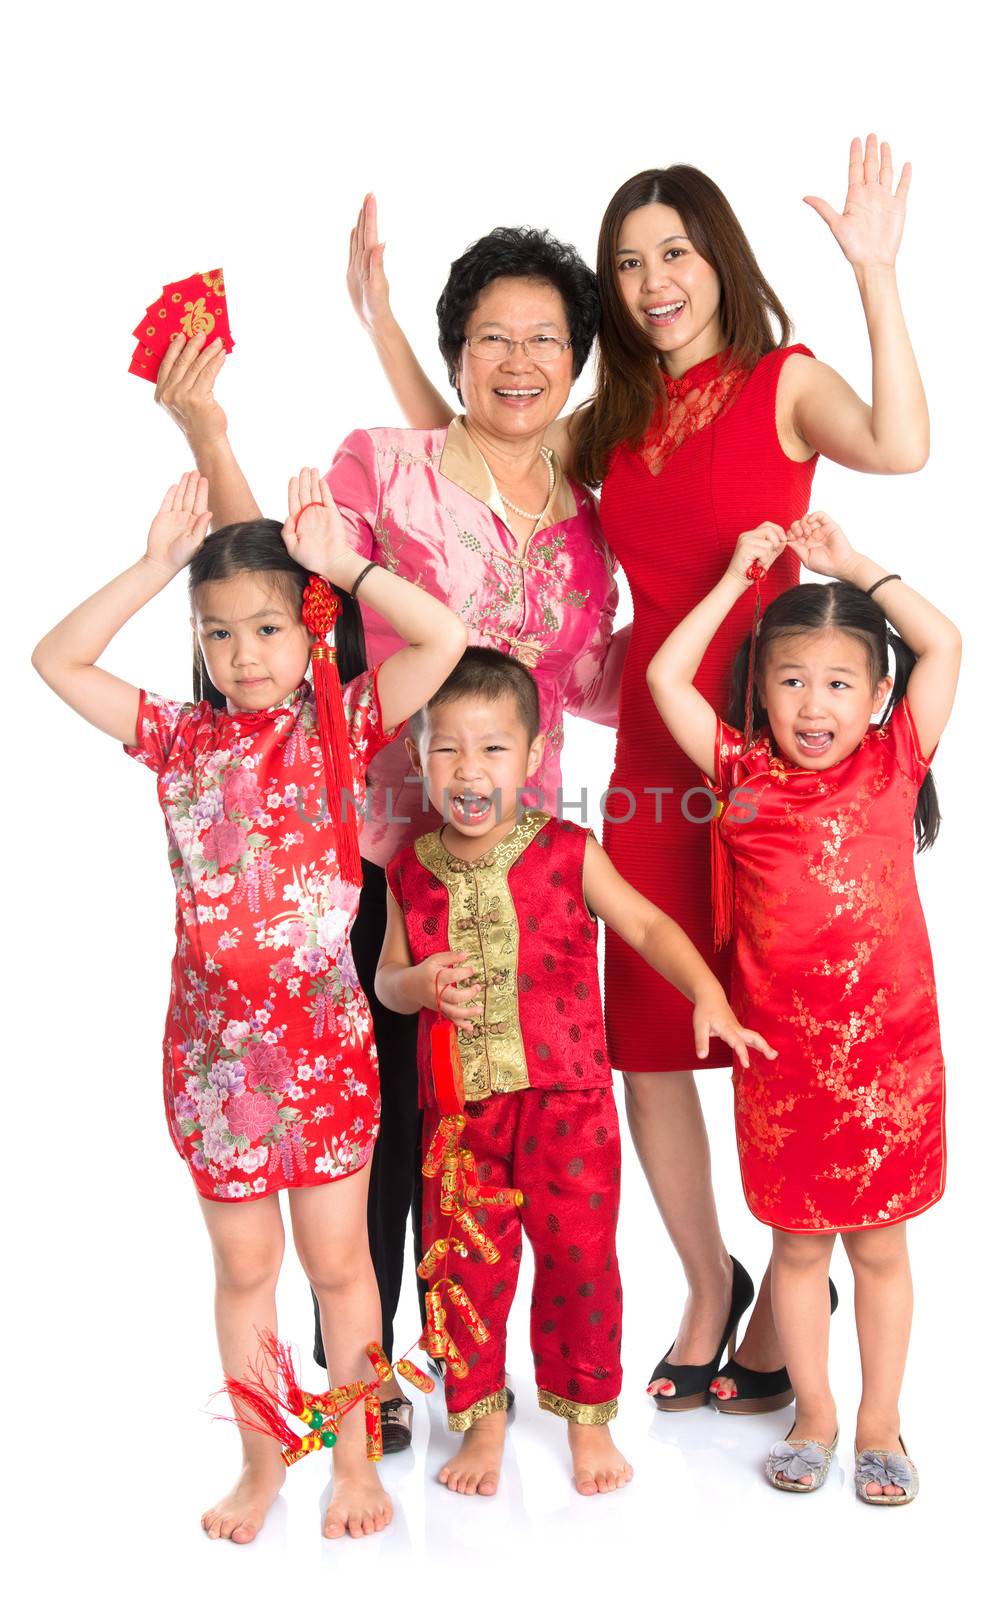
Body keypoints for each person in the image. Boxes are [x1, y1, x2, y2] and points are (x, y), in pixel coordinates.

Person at [340, 136, 928, 1411]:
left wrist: (876, 272)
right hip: (661, 755)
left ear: (718, 259)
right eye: (629, 262)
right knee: (645, 1046)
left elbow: (897, 443)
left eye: (674, 252)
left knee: (785, 1030)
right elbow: (477, 439)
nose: (655, 279)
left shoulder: (783, 379)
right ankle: (707, 1286)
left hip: (778, 755)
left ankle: (793, 1289)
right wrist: (392, 331)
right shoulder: (615, 420)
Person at [153, 227, 629, 1448]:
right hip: (364, 848)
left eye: (543, 340)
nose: (515, 361)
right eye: (489, 339)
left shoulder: (589, 529)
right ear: (453, 352)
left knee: (488, 1122)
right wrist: (210, 439)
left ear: (577, 361)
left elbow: (593, 686)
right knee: (373, 1130)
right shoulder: (387, 463)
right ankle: (368, 1385)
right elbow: (289, 597)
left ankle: (466, 1364)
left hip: (519, 868)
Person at [31, 469, 467, 1541]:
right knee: (244, 1270)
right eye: (218, 633)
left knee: (338, 1265)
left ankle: (354, 1457)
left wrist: (343, 565)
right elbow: (54, 660)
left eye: (267, 626)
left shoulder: (338, 722)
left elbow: (444, 640)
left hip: (322, 1052)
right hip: (217, 1063)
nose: (243, 654)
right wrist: (152, 564)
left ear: (306, 623)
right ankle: (263, 1459)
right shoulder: (179, 738)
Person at [374, 647, 773, 1496]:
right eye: (446, 749)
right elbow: (385, 979)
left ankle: (586, 1424)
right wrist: (416, 985)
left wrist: (706, 992)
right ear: (416, 758)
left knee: (581, 1265)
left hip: (569, 1108)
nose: (468, 770)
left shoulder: (568, 849)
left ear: (534, 752)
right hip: (458, 1116)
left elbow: (650, 926)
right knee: (461, 1268)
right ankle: (479, 1424)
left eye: (492, 749)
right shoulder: (408, 870)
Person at [647, 511, 958, 1501]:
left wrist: (854, 569)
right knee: (794, 1244)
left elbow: (943, 642)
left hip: (888, 1066)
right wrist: (739, 576)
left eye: (836, 683)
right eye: (788, 681)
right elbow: (662, 678)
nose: (811, 703)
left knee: (878, 1245)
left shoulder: (892, 761)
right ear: (758, 692)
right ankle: (814, 1414)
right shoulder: (741, 778)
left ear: (876, 696)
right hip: (781, 1065)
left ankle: (878, 1419)